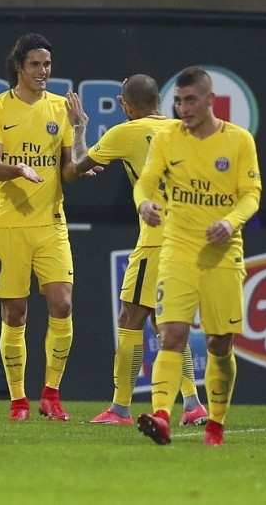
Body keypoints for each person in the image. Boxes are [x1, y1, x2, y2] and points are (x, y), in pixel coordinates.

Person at [71, 74, 209, 426]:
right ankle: (193, 405)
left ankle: (120, 409)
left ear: (125, 105)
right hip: (188, 237)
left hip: (156, 240)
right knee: (166, 322)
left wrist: (79, 127)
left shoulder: (125, 132)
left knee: (129, 320)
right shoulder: (183, 129)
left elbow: (77, 166)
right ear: (161, 101)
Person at [134, 66, 261, 446]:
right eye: (178, 101)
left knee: (220, 343)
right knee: (170, 334)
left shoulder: (238, 142)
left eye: (190, 100)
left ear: (210, 100)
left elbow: (251, 194)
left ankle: (216, 425)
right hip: (177, 248)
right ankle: (160, 416)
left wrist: (230, 221)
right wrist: (143, 204)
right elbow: (145, 182)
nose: (183, 108)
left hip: (221, 253)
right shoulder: (168, 138)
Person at [0, 33, 98, 422]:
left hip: (51, 222)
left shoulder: (61, 108)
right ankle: (18, 400)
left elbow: (69, 169)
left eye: (47, 64)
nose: (43, 71)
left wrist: (80, 134)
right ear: (19, 67)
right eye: (35, 65)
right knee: (14, 313)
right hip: (9, 224)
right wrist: (18, 168)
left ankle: (51, 394)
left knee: (62, 303)